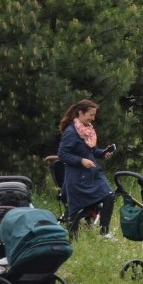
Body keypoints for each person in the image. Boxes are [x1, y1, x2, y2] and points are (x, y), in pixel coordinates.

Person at [57, 100, 115, 237]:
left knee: (109, 196)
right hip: (77, 178)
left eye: (94, 115)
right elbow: (62, 154)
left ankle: (104, 233)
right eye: (91, 115)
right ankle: (72, 240)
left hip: (92, 174)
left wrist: (103, 153)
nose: (93, 118)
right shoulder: (71, 131)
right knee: (76, 211)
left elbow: (90, 150)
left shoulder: (86, 129)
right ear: (80, 113)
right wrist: (81, 161)